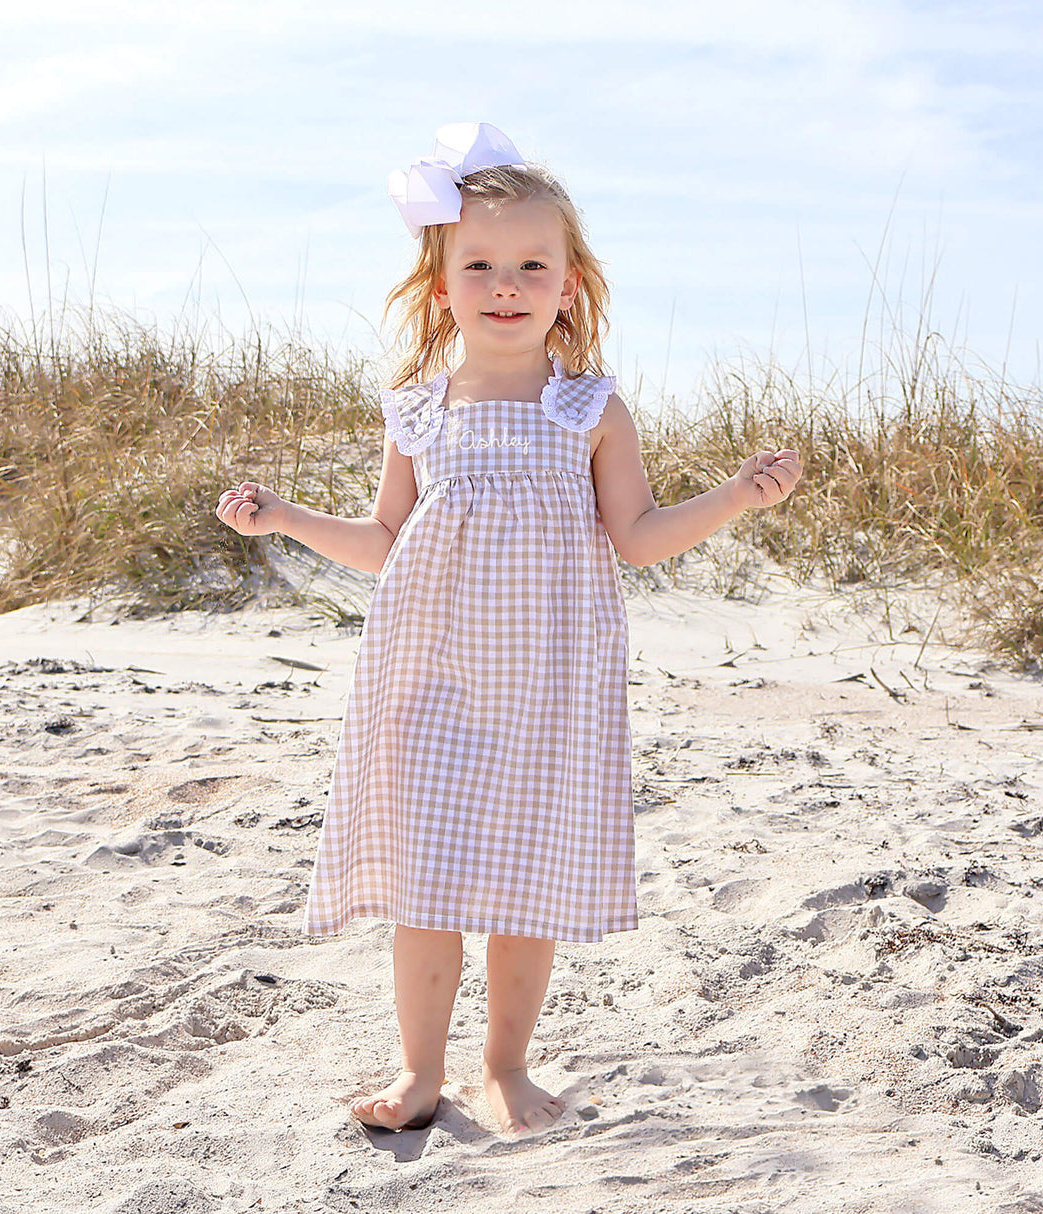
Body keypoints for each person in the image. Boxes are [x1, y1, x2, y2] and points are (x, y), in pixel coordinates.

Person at [216, 123, 802, 1139]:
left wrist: (733, 498)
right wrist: (287, 518)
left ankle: (505, 1065)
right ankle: (417, 1070)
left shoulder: (589, 408)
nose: (504, 282)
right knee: (425, 883)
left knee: (526, 888)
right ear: (439, 284)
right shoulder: (417, 410)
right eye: (478, 263)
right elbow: (384, 539)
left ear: (568, 283)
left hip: (548, 685)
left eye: (531, 263)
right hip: (429, 676)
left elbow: (637, 536)